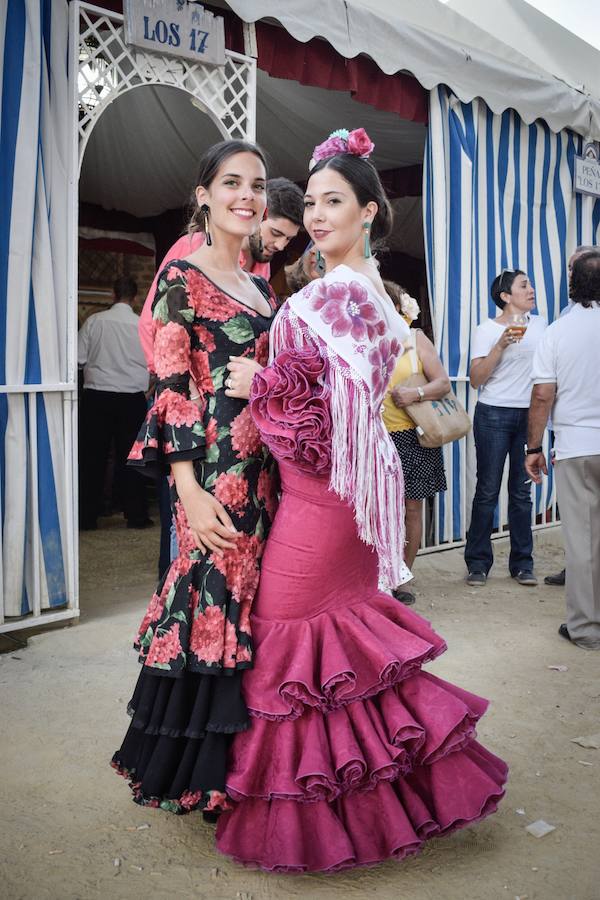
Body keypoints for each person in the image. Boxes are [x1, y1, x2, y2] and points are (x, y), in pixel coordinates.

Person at [215, 128, 508, 872]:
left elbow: (330, 405)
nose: (315, 215)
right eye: (310, 201)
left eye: (333, 201)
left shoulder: (336, 293)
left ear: (371, 211)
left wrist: (263, 383)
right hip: (347, 487)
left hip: (325, 492)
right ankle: (378, 799)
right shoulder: (373, 292)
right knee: (338, 650)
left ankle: (314, 813)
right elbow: (350, 397)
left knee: (291, 638)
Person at [111, 140, 280, 816]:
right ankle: (194, 776)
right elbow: (172, 383)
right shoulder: (183, 277)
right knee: (208, 603)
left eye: (258, 185)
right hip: (211, 472)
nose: (247, 195)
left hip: (264, 471)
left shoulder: (262, 286)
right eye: (232, 183)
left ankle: (240, 769)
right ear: (204, 194)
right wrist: (185, 486)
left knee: (245, 606)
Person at [138, 177, 305, 372]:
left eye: (288, 239)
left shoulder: (263, 268)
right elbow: (150, 325)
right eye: (276, 233)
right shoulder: (193, 247)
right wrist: (184, 391)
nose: (280, 245)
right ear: (256, 215)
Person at [526, 251, 600, 650]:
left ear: (573, 286)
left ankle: (586, 628)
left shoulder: (558, 331)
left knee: (584, 540)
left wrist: (534, 446)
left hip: (577, 446)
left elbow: (542, 395)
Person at [464, 269, 546, 587]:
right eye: (524, 285)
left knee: (522, 493)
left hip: (530, 417)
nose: (532, 289)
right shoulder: (486, 330)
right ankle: (478, 563)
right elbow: (475, 379)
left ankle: (523, 564)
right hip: (494, 414)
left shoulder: (542, 327)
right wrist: (499, 345)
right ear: (505, 296)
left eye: (531, 284)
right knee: (487, 490)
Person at [382, 282, 450, 606]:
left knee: (411, 509)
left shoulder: (415, 338)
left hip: (412, 436)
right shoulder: (361, 339)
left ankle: (403, 578)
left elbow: (443, 384)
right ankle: (378, 574)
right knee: (378, 510)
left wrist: (416, 393)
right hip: (375, 438)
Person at [77, 276, 151, 530]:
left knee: (93, 457)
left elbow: (78, 358)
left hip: (97, 396)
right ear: (135, 297)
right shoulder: (141, 325)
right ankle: (136, 515)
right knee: (132, 458)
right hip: (132, 397)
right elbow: (153, 362)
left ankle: (87, 516)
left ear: (113, 295)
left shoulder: (94, 322)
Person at [544, 243, 598, 587]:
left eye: (571, 270)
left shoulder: (563, 326)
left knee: (582, 526)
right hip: (573, 433)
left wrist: (534, 446)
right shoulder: (564, 319)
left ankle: (585, 621)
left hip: (576, 436)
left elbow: (545, 391)